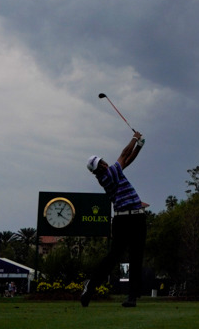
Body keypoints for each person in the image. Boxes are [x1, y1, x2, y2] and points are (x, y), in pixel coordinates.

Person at [80, 130, 148, 308]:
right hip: (123, 220)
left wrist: (139, 146)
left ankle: (132, 297)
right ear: (97, 169)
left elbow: (127, 160)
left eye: (101, 161)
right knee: (113, 257)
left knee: (136, 257)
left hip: (137, 217)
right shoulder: (107, 175)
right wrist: (135, 138)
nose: (103, 163)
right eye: (100, 164)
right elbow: (124, 154)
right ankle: (91, 287)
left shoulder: (113, 172)